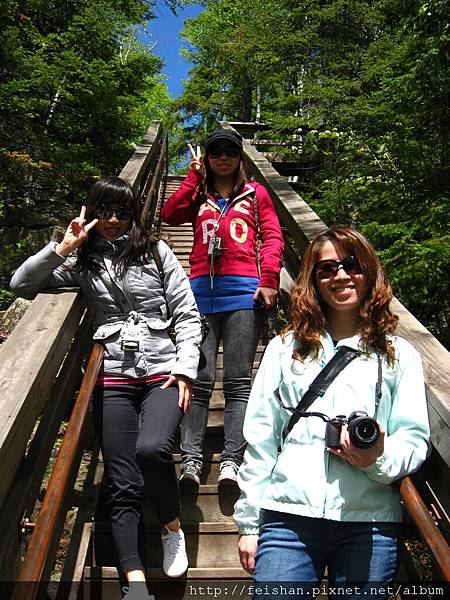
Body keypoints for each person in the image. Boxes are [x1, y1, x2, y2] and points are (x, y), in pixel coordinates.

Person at [11, 177, 203, 600]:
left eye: (122, 212)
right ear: (92, 212)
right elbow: (20, 284)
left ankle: (172, 527)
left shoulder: (155, 250)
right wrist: (64, 247)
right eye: (105, 211)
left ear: (133, 214)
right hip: (113, 373)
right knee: (120, 478)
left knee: (152, 449)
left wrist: (187, 369)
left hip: (163, 370)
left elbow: (187, 313)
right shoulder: (82, 260)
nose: (113, 220)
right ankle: (134, 582)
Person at [234, 226, 430, 599]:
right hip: (287, 518)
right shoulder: (283, 349)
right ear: (313, 279)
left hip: (369, 523)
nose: (340, 275)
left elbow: (413, 436)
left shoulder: (398, 354)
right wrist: (249, 523)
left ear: (369, 272)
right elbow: (261, 437)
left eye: (351, 265)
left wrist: (377, 458)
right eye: (327, 269)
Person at [160, 128, 284, 486]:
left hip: (245, 294)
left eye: (231, 150)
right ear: (209, 158)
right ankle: (191, 460)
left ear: (240, 157)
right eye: (216, 152)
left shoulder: (255, 193)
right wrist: (192, 177)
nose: (223, 157)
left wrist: (269, 279)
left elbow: (273, 236)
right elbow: (170, 215)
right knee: (197, 379)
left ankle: (233, 459)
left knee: (237, 381)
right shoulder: (199, 195)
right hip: (199, 295)